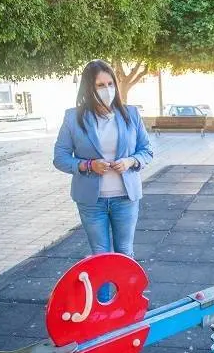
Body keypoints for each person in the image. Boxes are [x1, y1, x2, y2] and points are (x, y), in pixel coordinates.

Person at [54, 60, 153, 272]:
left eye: (110, 84)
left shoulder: (131, 114)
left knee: (125, 253)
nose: (107, 90)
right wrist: (88, 165)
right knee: (100, 256)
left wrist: (130, 161)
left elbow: (147, 151)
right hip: (92, 201)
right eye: (100, 85)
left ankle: (128, 304)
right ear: (89, 88)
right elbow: (60, 157)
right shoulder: (73, 117)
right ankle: (104, 303)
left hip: (125, 198)